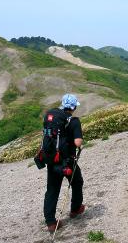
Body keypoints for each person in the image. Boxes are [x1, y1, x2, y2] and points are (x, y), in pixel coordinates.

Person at [43, 94, 85, 232]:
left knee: (52, 190)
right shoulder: (73, 121)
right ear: (73, 107)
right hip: (68, 161)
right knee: (77, 182)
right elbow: (77, 142)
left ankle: (50, 222)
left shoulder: (53, 117)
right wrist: (79, 142)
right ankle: (75, 209)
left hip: (53, 160)